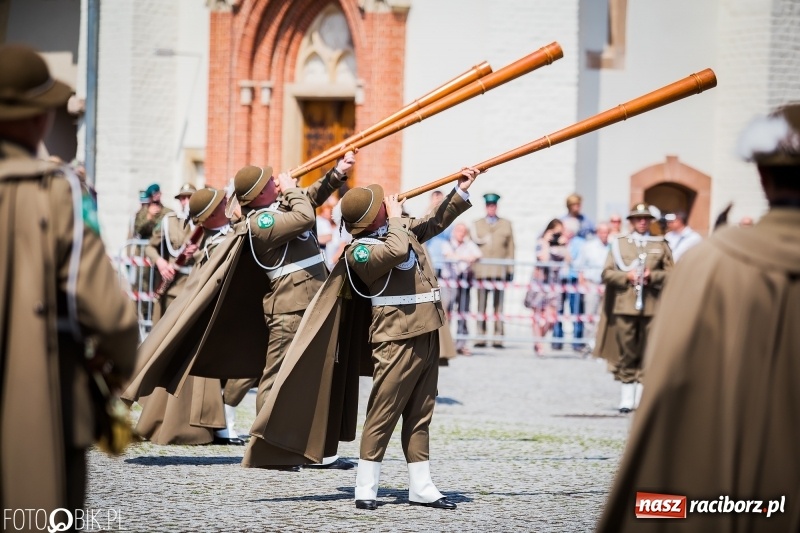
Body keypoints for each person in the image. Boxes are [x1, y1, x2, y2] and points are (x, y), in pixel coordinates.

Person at [598, 104, 800, 533]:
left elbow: (675, 391)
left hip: (743, 495)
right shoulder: (695, 258)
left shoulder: (709, 264)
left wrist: (658, 511)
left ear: (762, 176)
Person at [0, 44, 139, 513]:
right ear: (37, 117)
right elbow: (109, 313)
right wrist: (114, 372)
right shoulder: (58, 191)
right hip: (42, 397)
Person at [238, 152, 355, 470]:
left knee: (316, 376)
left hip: (309, 301)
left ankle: (308, 448)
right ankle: (267, 449)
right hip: (289, 307)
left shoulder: (280, 206)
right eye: (269, 182)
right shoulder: (260, 221)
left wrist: (336, 173)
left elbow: (309, 198)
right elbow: (304, 216)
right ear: (257, 195)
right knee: (277, 378)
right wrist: (290, 188)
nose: (275, 180)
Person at [124, 188, 255, 446]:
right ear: (214, 213)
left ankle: (215, 422)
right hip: (196, 301)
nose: (226, 205)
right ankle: (205, 425)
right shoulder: (213, 238)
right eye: (221, 204)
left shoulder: (222, 232)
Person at [593, 203, 673, 413]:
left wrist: (652, 276)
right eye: (638, 218)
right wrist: (626, 276)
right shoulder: (620, 244)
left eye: (646, 218)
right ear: (632, 221)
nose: (642, 222)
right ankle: (627, 395)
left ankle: (641, 395)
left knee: (648, 350)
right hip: (625, 305)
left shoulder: (660, 244)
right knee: (627, 350)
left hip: (652, 306)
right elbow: (607, 273)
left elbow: (672, 274)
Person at [471, 192, 514, 348]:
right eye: (489, 205)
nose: (491, 208)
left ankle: (498, 337)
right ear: (485, 207)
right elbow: (471, 247)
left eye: (494, 205)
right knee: (481, 305)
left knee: (499, 306)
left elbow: (510, 249)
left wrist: (510, 270)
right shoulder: (477, 224)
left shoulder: (506, 224)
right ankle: (480, 336)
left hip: (499, 272)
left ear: (497, 206)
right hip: (482, 272)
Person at [528, 219, 569, 355]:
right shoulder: (541, 242)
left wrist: (565, 244)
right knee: (537, 315)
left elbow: (569, 260)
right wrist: (546, 241)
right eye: (555, 232)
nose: (557, 235)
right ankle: (539, 344)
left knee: (552, 319)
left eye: (559, 233)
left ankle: (539, 340)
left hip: (554, 285)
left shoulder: (560, 245)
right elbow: (544, 259)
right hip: (540, 284)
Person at [441, 222, 482, 355]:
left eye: (463, 231)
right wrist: (466, 258)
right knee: (447, 312)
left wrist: (472, 258)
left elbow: (478, 254)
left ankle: (461, 343)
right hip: (449, 283)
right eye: (459, 230)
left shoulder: (468, 244)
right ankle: (446, 343)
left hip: (464, 282)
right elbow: (448, 256)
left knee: (463, 312)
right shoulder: (447, 243)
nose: (461, 233)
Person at [573, 222, 611, 354]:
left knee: (602, 315)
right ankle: (588, 343)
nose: (604, 235)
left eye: (606, 232)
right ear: (597, 232)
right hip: (592, 283)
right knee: (590, 315)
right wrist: (582, 281)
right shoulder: (588, 247)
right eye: (602, 232)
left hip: (606, 284)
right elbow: (579, 265)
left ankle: (599, 344)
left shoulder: (611, 247)